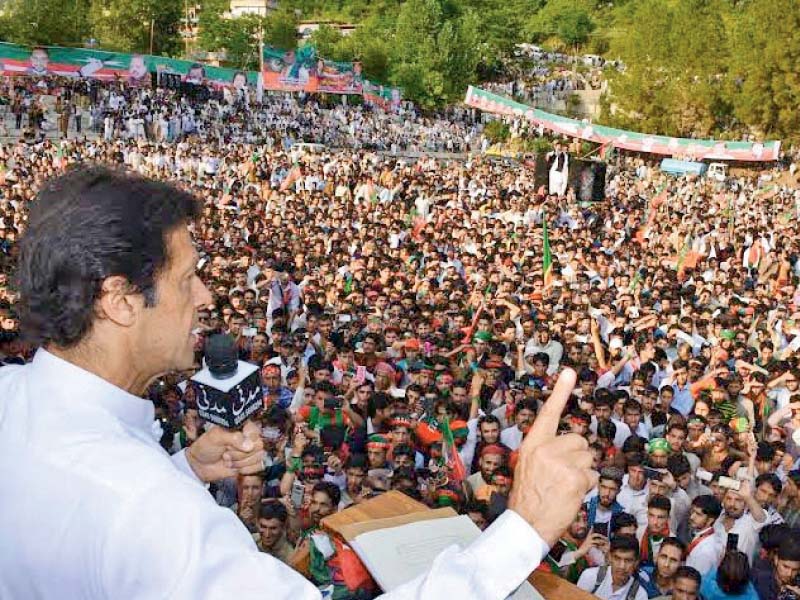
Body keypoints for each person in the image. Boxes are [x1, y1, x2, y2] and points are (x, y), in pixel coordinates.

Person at [0, 166, 598, 598]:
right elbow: (124, 513)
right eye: (188, 279)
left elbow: (86, 519)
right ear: (121, 301)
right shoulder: (148, 509)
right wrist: (526, 524)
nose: (207, 297)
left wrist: (181, 468)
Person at [576, 534, 649, 600]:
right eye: (617, 559)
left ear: (636, 562)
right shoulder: (590, 576)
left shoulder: (639, 595)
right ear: (609, 557)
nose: (622, 566)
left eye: (628, 560)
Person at [686, 494, 724, 576]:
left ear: (710, 520)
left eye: (698, 514)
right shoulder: (702, 535)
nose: (692, 517)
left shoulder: (706, 550)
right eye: (692, 512)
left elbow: (699, 580)